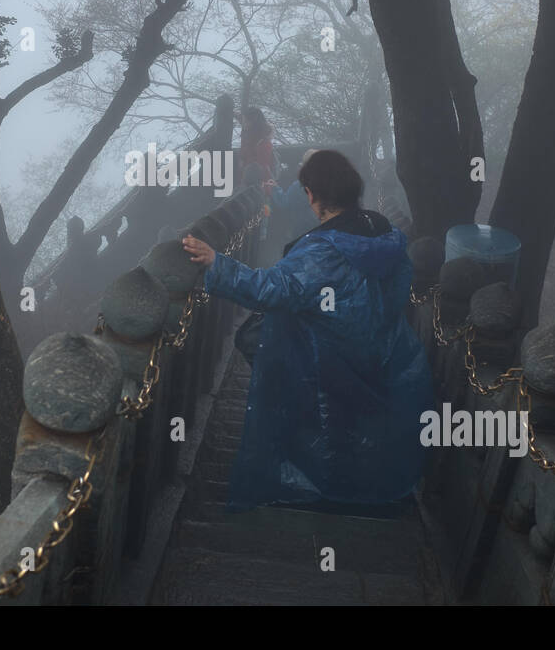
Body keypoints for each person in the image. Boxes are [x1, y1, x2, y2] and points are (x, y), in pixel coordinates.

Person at [182, 150, 433, 514]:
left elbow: (270, 288)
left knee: (283, 359)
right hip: (385, 350)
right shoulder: (386, 232)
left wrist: (216, 262)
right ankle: (363, 480)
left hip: (332, 356)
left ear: (312, 194)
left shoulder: (322, 249)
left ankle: (325, 484)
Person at [239, 107, 276, 183]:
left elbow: (264, 169)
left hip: (258, 185)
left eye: (245, 121)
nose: (243, 123)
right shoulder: (247, 135)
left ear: (253, 122)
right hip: (246, 180)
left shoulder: (263, 143)